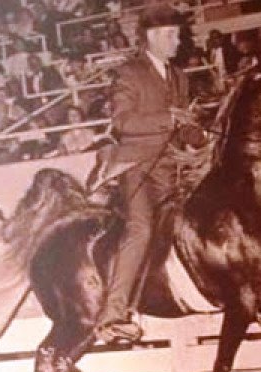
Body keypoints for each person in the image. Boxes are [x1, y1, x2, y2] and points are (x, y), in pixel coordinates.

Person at [94, 4, 200, 343]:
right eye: (172, 35)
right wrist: (169, 120)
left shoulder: (180, 77)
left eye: (178, 35)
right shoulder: (129, 73)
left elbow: (184, 130)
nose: (178, 41)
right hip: (138, 166)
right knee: (140, 229)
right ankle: (115, 312)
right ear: (152, 37)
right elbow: (122, 124)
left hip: (175, 167)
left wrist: (197, 133)